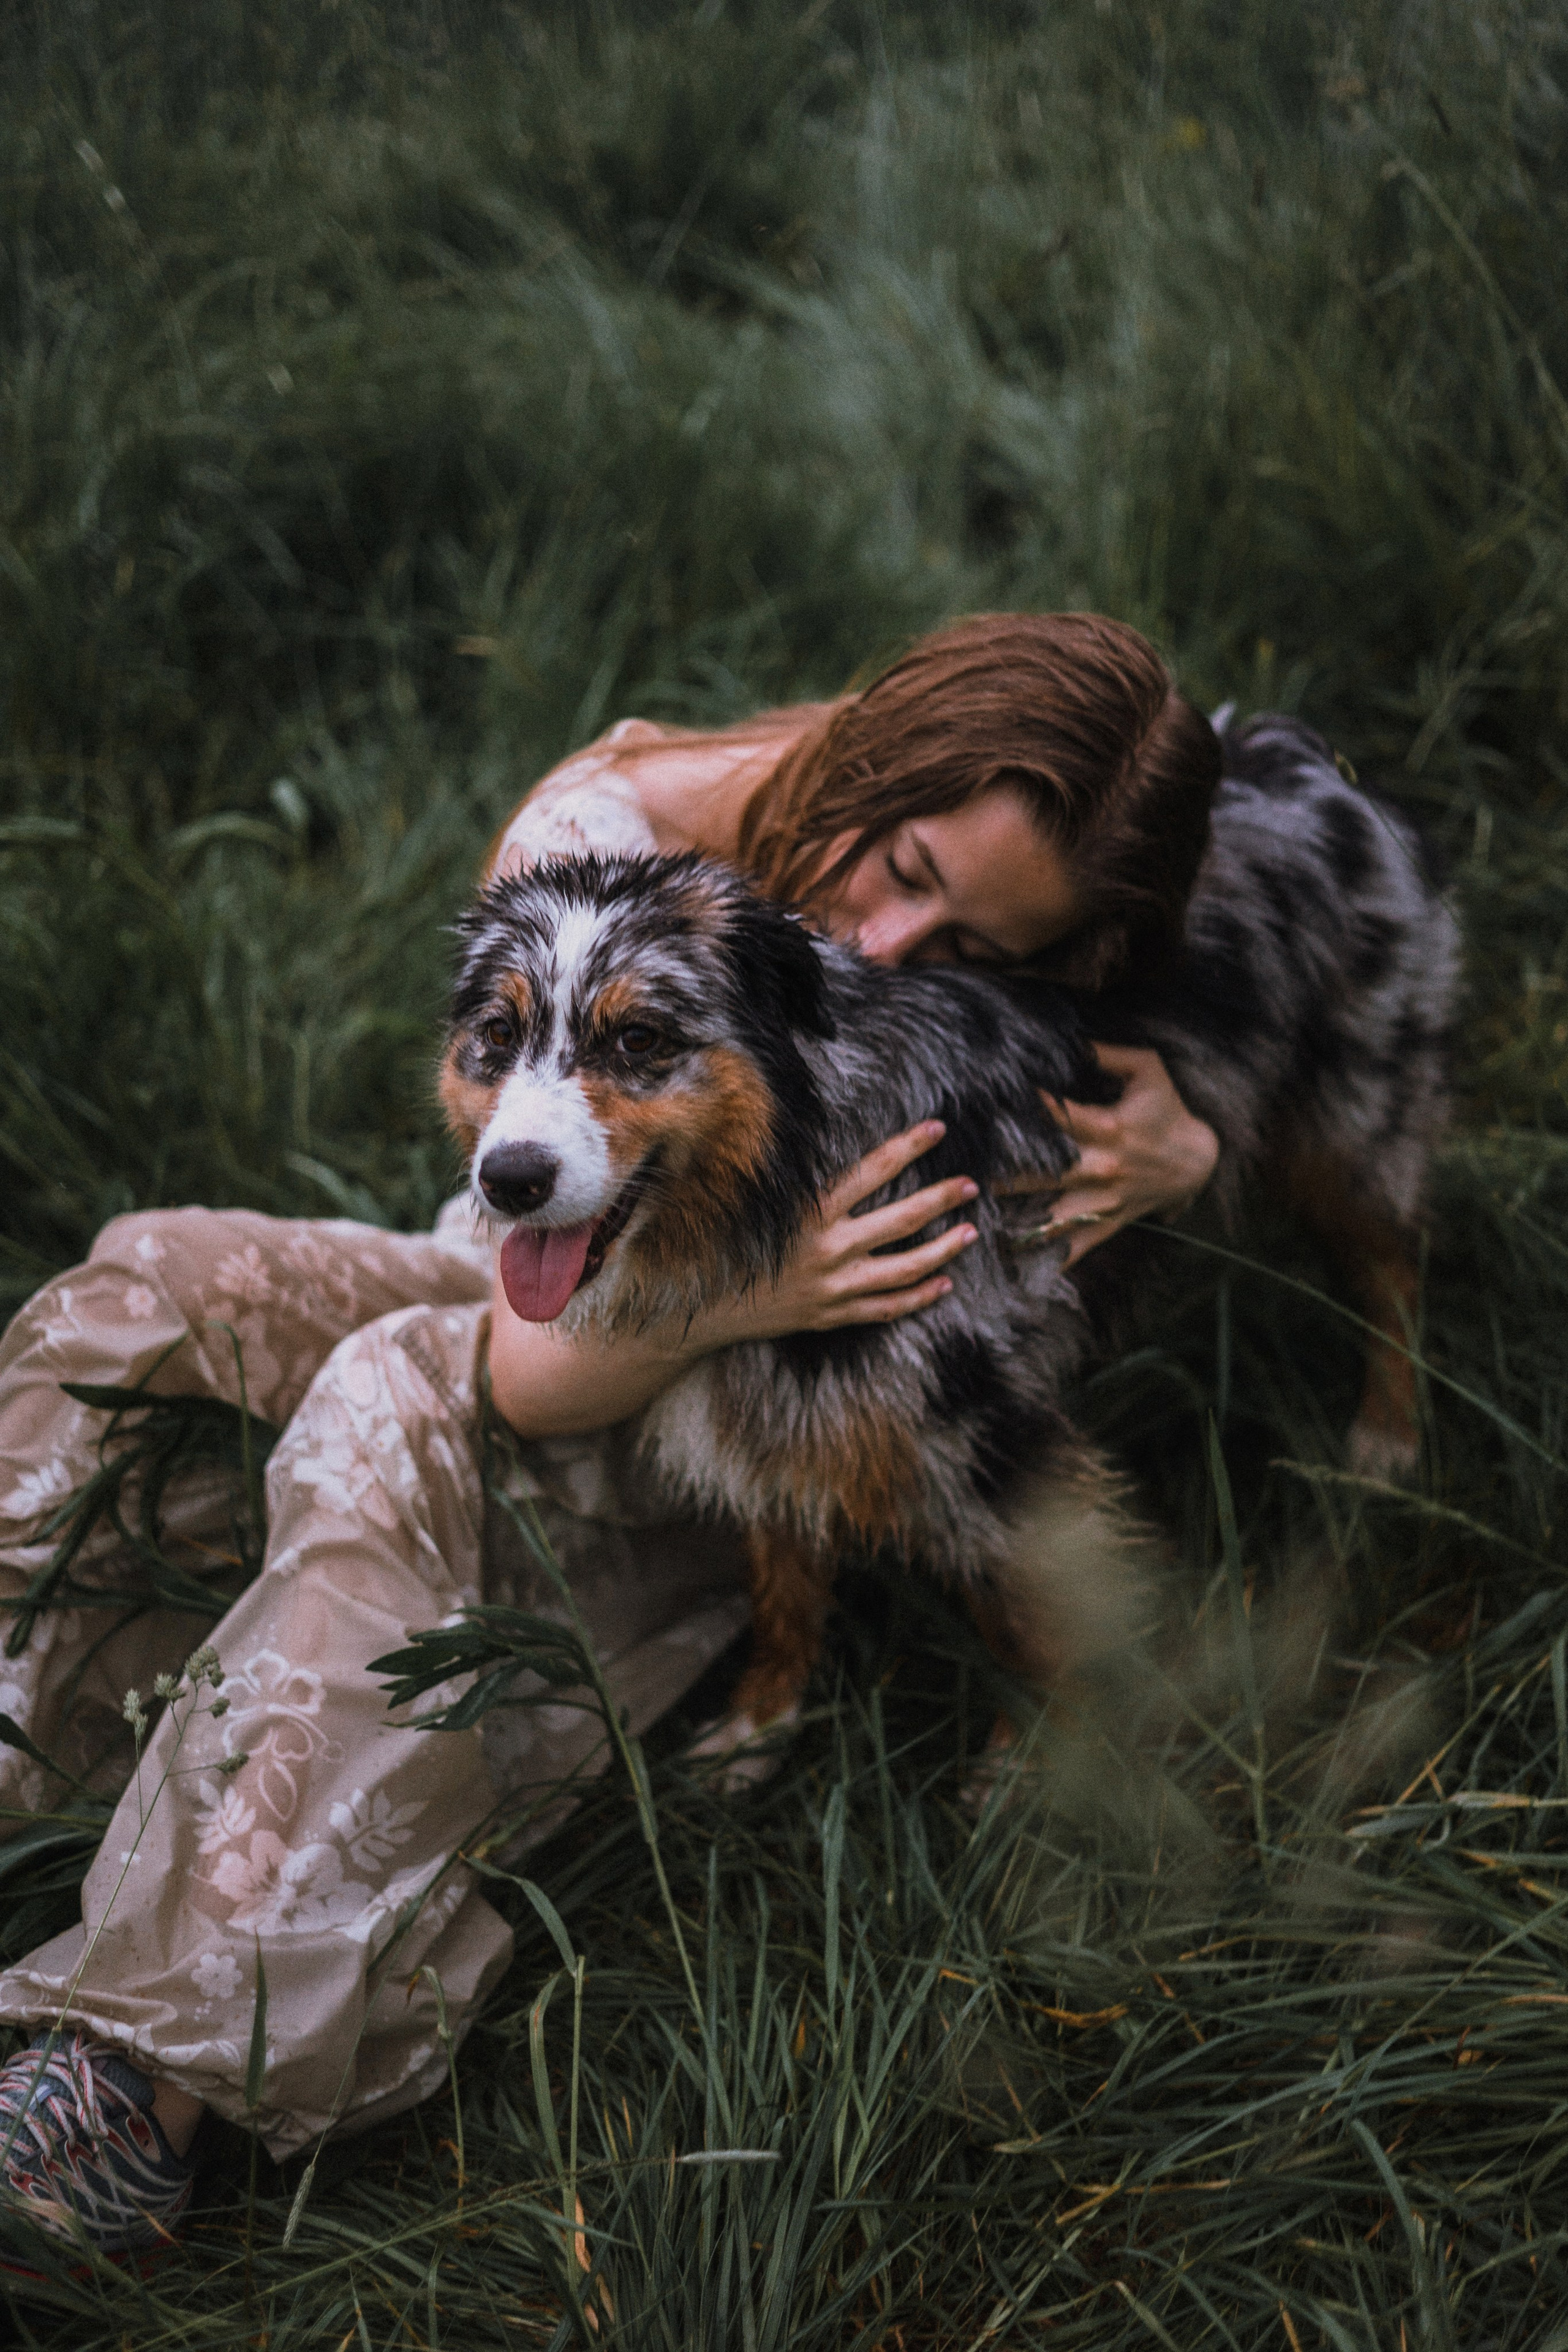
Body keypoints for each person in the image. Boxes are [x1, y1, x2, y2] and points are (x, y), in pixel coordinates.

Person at [0, 612, 1221, 2264]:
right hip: (555, 1277)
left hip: (725, 1428)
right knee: (151, 1277)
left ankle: (146, 2082)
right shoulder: (604, 832)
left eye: (972, 936)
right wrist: (747, 1286)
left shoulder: (988, 935)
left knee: (380, 1421)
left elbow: (517, 1384)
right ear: (873, 758)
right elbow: (520, 1321)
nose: (897, 937)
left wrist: (1190, 1141)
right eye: (905, 861)